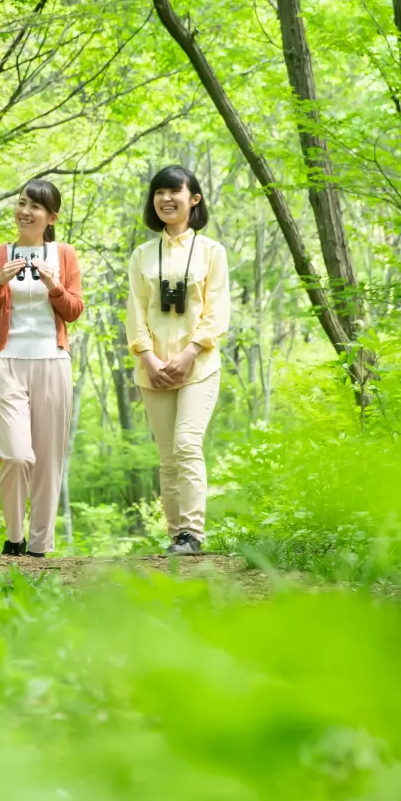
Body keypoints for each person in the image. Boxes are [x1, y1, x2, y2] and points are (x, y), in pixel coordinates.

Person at [0, 178, 84, 558]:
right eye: (21, 203)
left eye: (35, 206)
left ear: (51, 217)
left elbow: (73, 311)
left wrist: (55, 286)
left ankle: (39, 548)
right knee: (16, 454)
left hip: (53, 362)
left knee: (48, 461)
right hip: (6, 362)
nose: (25, 211)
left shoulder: (64, 255)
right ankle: (14, 538)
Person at [126, 165, 231, 556]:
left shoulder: (211, 252)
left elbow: (217, 313)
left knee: (187, 444)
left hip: (199, 366)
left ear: (194, 199)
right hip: (152, 368)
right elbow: (135, 311)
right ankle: (177, 536)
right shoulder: (141, 255)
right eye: (159, 193)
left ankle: (193, 532)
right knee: (168, 456)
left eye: (174, 192)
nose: (166, 199)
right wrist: (149, 357)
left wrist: (190, 353)